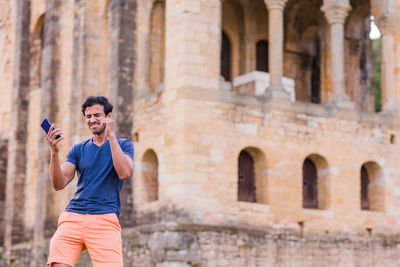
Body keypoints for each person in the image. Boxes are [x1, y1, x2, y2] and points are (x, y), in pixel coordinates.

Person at [44, 96, 134, 267]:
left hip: (104, 219)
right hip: (73, 217)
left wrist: (111, 136)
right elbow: (59, 183)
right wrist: (54, 153)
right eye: (88, 116)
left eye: (97, 115)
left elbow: (124, 172)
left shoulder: (124, 144)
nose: (92, 120)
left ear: (109, 116)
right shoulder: (78, 149)